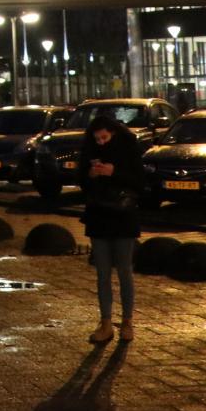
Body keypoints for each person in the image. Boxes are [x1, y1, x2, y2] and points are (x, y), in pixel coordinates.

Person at [80, 112, 146, 344]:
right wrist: (90, 173)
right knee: (102, 273)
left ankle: (127, 322)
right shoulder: (89, 150)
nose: (101, 142)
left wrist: (113, 172)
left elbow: (140, 181)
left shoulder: (129, 149)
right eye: (97, 139)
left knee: (125, 272)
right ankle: (105, 323)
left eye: (104, 138)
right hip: (98, 216)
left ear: (114, 133)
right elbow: (80, 181)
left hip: (123, 216)